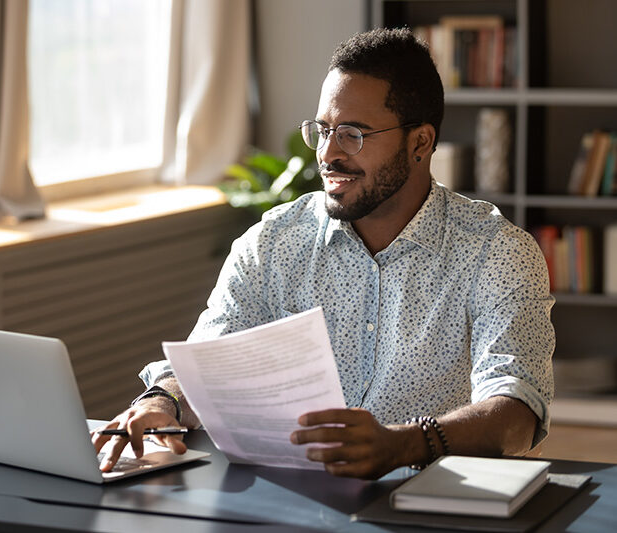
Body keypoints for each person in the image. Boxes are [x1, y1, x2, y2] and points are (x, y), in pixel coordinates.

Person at [92, 27, 554, 479]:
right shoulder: (274, 241)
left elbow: (518, 411)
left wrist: (404, 445)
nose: (329, 153)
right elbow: (207, 365)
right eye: (323, 129)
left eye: (353, 134)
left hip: (427, 501)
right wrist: (162, 400)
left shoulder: (498, 252)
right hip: (289, 497)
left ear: (420, 143)